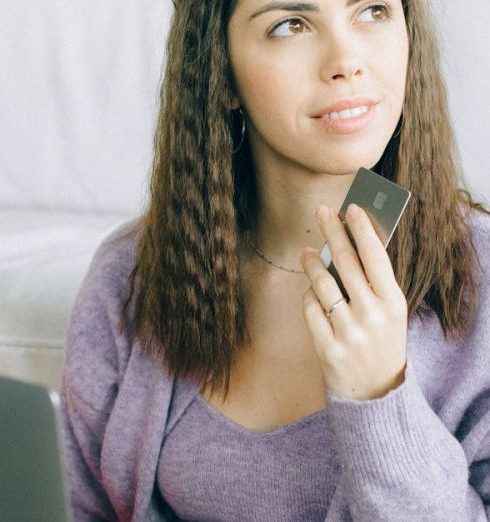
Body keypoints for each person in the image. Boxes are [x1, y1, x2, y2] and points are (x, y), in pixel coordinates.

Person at [59, 0, 490, 520]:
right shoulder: (127, 277)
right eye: (290, 24)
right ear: (223, 70)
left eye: (373, 10)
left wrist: (381, 397)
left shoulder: (483, 282)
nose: (346, 60)